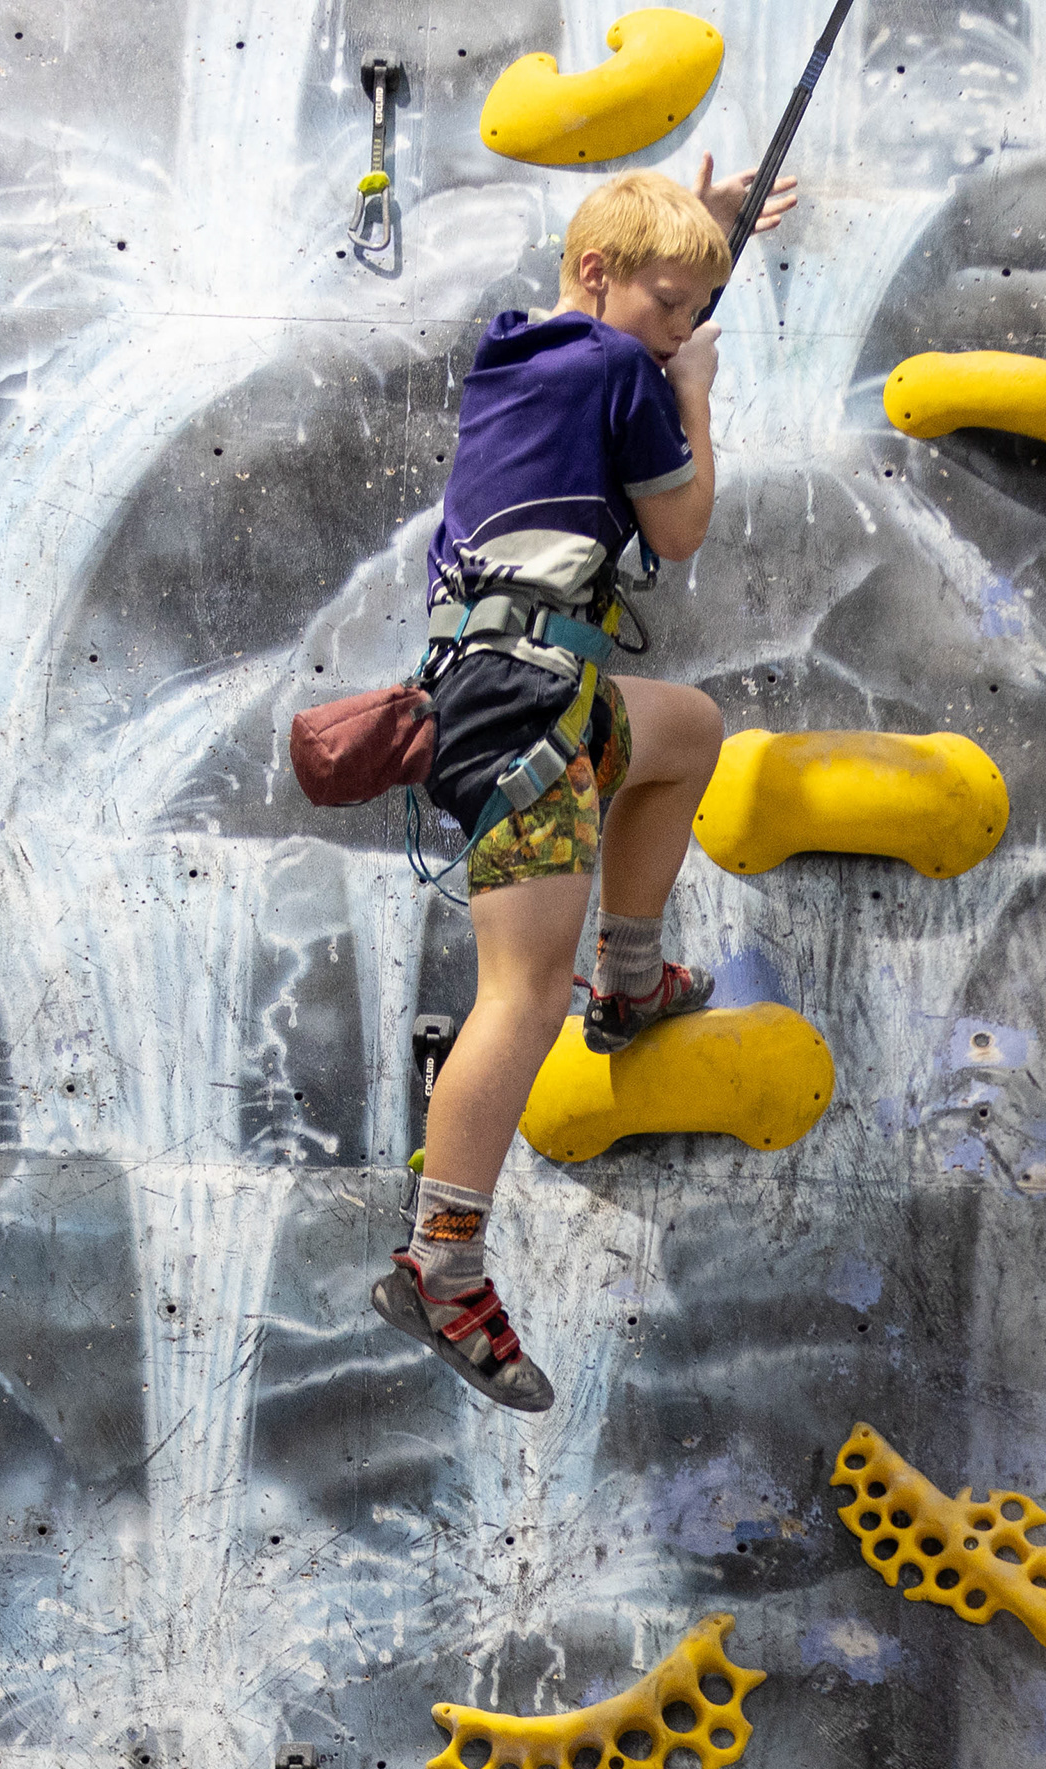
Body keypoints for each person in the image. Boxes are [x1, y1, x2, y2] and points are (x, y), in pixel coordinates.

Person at [378, 158, 790, 1413]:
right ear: (600, 275)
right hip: (525, 709)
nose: (678, 329)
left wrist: (693, 243)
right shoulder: (623, 367)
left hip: (521, 689)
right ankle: (444, 1263)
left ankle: (633, 975)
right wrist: (695, 388)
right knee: (518, 992)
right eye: (671, 304)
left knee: (686, 730)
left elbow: (619, 291)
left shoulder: (523, 351)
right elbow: (679, 529)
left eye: (693, 313)